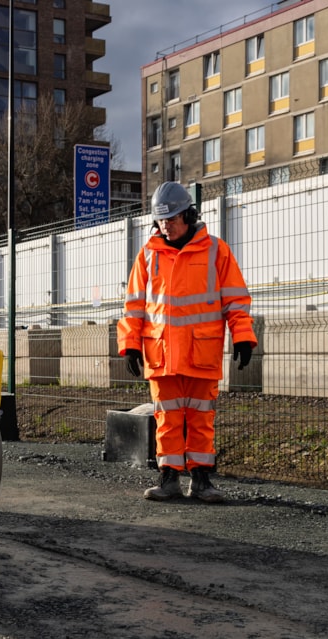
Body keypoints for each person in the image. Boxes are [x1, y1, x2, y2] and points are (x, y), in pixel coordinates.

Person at [117, 181, 258, 503]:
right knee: (167, 417)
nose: (166, 226)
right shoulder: (148, 254)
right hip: (162, 352)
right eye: (161, 221)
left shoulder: (216, 250)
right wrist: (131, 344)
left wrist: (244, 337)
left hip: (200, 351)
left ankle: (202, 481)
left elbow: (236, 299)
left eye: (172, 219)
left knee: (200, 418)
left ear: (189, 216)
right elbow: (134, 305)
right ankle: (169, 479)